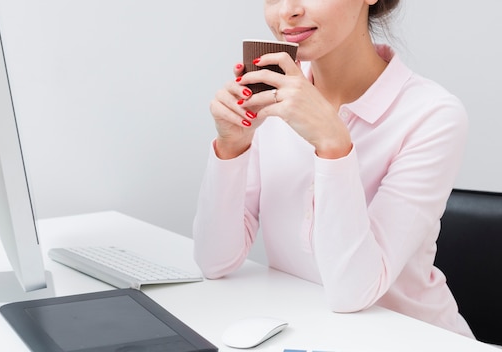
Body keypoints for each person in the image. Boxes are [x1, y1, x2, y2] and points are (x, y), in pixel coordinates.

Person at [192, 0, 474, 338]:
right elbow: (214, 261)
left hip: (416, 338)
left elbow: (354, 292)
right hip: (309, 332)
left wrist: (333, 146)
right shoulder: (272, 97)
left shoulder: (432, 115)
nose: (288, 11)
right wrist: (232, 147)